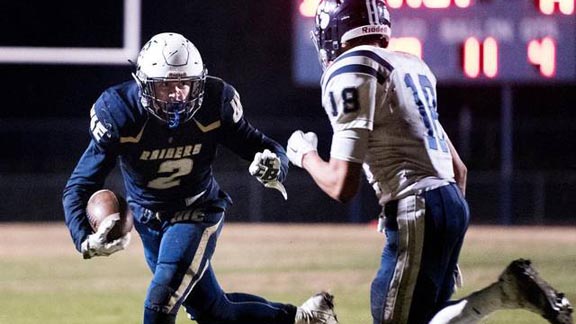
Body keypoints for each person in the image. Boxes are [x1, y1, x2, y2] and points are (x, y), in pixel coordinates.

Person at [286, 1, 573, 324]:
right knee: (423, 318)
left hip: (418, 206)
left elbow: (342, 185)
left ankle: (505, 293)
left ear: (336, 29)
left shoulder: (350, 70)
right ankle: (506, 292)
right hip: (450, 201)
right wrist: (444, 233)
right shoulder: (411, 64)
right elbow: (458, 168)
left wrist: (304, 154)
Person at [62, 32, 338, 324]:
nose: (178, 92)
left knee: (160, 302)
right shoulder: (120, 113)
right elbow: (80, 185)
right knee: (214, 312)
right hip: (148, 219)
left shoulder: (214, 102)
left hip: (196, 211)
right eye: (166, 85)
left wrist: (274, 164)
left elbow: (265, 146)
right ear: (144, 85)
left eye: (185, 83)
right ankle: (308, 319)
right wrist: (83, 238)